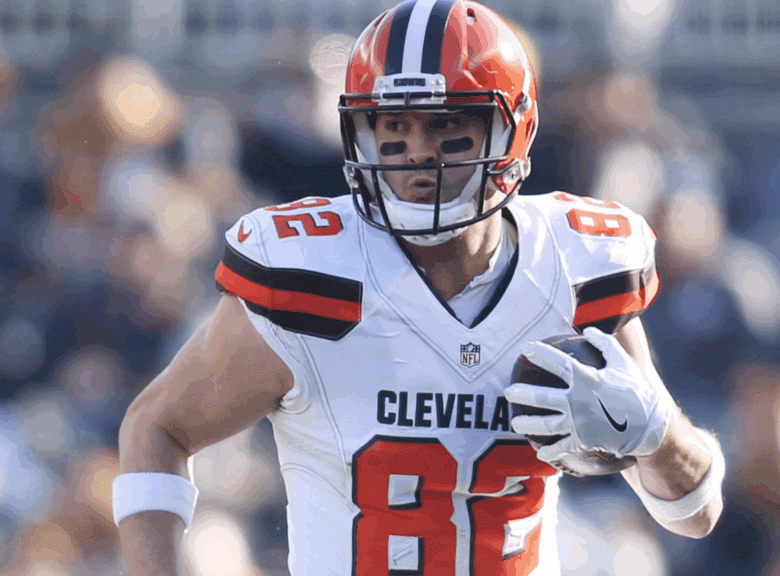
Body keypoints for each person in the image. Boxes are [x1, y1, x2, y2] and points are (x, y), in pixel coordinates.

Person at [113, 1, 726, 574]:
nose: (417, 159)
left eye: (448, 129)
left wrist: (659, 433)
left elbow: (696, 513)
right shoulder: (311, 275)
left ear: (512, 130)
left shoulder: (576, 267)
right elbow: (157, 427)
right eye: (395, 129)